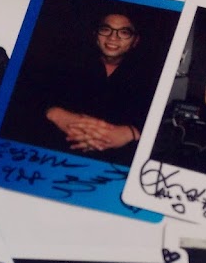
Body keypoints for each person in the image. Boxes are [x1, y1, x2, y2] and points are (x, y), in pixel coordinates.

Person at [32, 12, 154, 166]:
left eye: (124, 32)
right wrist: (54, 113)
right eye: (106, 29)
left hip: (116, 162)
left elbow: (159, 123)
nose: (113, 37)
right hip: (55, 153)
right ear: (95, 34)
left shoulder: (151, 76)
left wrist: (132, 133)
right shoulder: (66, 62)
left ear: (135, 40)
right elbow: (29, 96)